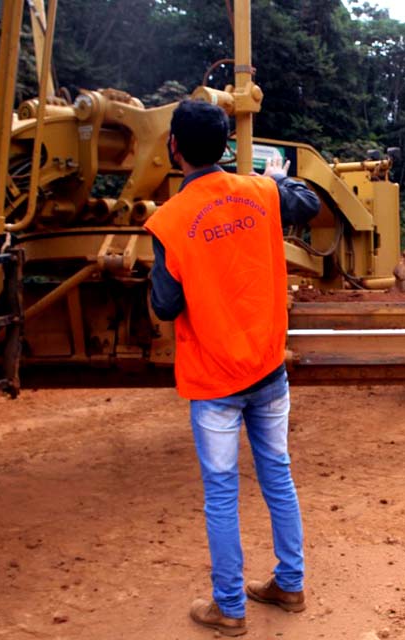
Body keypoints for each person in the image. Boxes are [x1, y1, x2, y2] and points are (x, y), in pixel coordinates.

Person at [144, 100, 320, 637]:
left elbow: (166, 306)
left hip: (215, 382)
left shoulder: (170, 221)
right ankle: (289, 585)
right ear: (225, 146)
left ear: (175, 147)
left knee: (221, 493)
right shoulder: (261, 194)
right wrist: (272, 180)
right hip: (268, 373)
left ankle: (230, 608)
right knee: (278, 477)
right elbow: (307, 203)